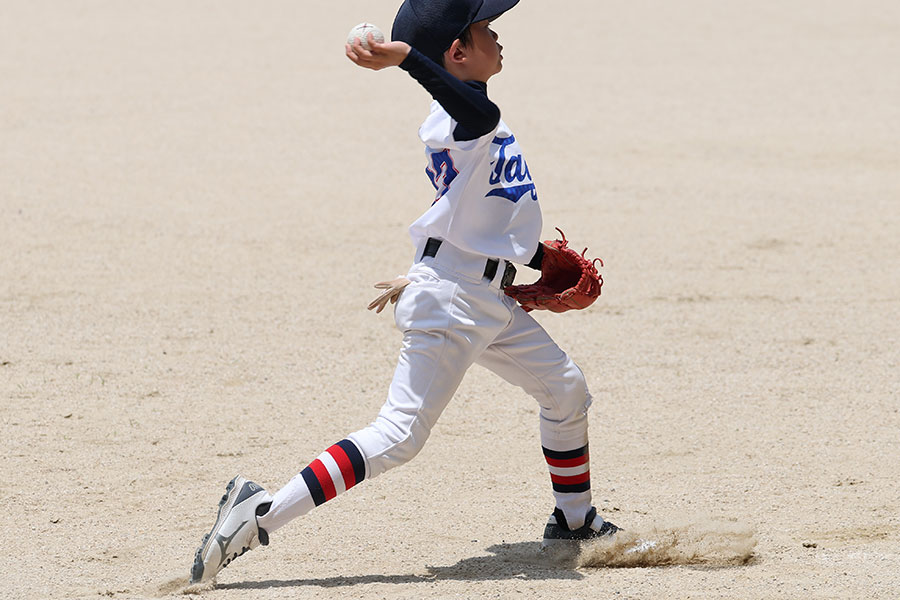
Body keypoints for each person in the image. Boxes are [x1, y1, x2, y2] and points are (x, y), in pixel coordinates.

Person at [190, 0, 619, 585]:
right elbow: (472, 111)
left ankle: (574, 522)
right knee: (398, 435)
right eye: (484, 28)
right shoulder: (469, 118)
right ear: (457, 53)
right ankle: (259, 512)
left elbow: (472, 215)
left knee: (565, 388)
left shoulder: (464, 121)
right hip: (456, 301)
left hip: (478, 295)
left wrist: (537, 261)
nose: (497, 35)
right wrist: (410, 59)